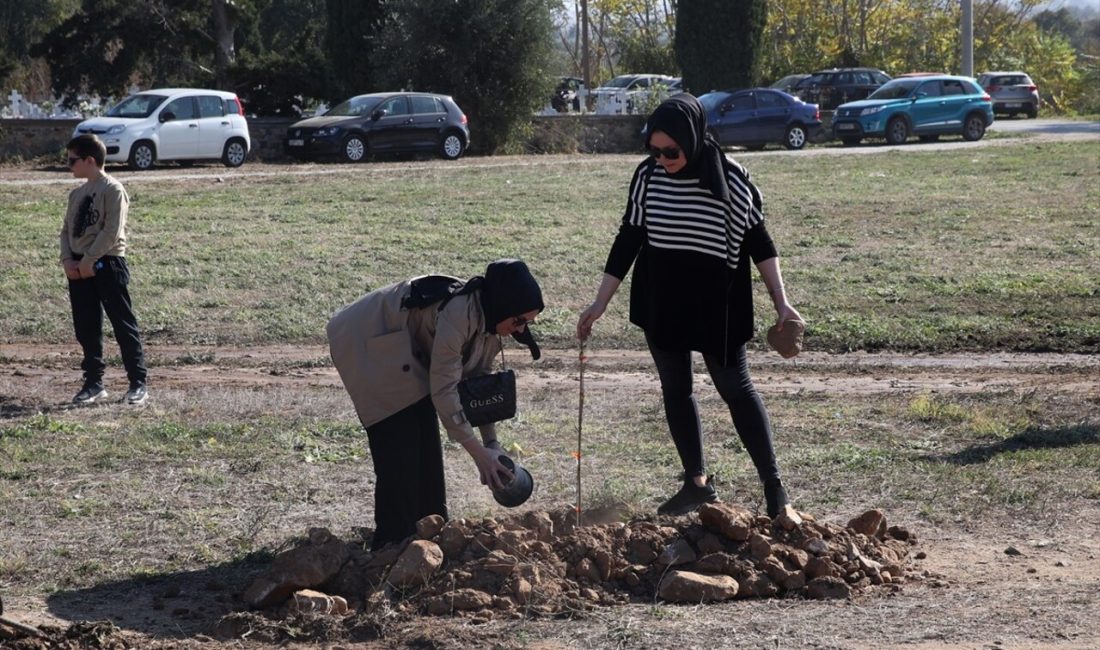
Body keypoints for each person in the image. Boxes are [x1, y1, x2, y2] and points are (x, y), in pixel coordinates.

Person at [576, 93, 803, 523]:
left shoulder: (732, 180)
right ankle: (695, 483)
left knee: (736, 390)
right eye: (654, 151)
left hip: (717, 304)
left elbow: (760, 244)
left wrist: (782, 303)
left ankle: (775, 488)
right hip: (663, 299)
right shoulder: (647, 177)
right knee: (675, 390)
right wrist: (600, 302)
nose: (662, 159)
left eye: (671, 151)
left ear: (693, 139)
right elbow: (629, 238)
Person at [327, 259, 544, 550]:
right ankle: (392, 545)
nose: (520, 331)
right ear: (504, 305)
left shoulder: (492, 324)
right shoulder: (459, 315)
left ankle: (431, 531)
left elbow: (476, 384)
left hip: (404, 348)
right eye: (518, 321)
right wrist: (478, 454)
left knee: (424, 435)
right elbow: (444, 392)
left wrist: (491, 444)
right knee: (400, 438)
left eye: (527, 324)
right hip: (368, 338)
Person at [60, 134, 148, 405]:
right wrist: (68, 260)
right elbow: (66, 231)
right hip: (79, 266)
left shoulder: (113, 190)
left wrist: (89, 260)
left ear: (90, 160)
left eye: (73, 160)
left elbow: (111, 231)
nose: (69, 165)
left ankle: (138, 383)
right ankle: (94, 383)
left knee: (122, 324)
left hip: (107, 262)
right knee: (86, 327)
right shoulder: (76, 194)